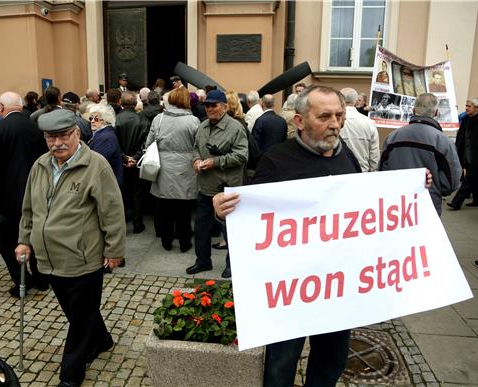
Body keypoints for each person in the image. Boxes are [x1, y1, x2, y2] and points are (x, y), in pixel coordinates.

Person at [213, 85, 360, 387]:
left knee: (331, 361)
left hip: (338, 288)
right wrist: (221, 211)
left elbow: (368, 213)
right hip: (290, 289)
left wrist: (413, 188)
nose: (335, 124)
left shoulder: (350, 159)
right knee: (280, 365)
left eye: (339, 115)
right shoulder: (275, 160)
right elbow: (250, 222)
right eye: (325, 116)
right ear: (300, 121)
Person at [15, 109, 126, 387]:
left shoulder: (95, 165)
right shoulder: (40, 164)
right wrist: (24, 240)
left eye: (64, 135)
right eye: (51, 138)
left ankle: (70, 374)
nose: (57, 143)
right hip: (49, 259)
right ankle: (102, 339)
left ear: (77, 133)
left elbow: (112, 211)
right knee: (79, 311)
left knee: (78, 319)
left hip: (83, 258)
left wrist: (114, 250)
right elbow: (29, 209)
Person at [0, 91, 49, 297]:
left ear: (1, 108)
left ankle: (22, 280)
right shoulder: (36, 127)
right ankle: (41, 278)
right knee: (35, 236)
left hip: (6, 198)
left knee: (6, 240)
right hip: (36, 193)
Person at [187, 90, 248, 278]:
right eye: (207, 105)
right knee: (202, 228)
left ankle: (233, 264)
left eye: (214, 105)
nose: (210, 109)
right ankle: (203, 261)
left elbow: (241, 155)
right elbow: (196, 148)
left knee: (229, 231)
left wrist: (215, 162)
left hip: (226, 188)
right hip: (206, 187)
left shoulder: (235, 128)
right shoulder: (203, 126)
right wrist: (196, 160)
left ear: (225, 106)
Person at [380, 93, 462, 215]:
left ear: (413, 111)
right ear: (436, 113)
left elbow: (382, 169)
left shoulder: (393, 136)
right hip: (428, 202)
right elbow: (452, 179)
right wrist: (436, 188)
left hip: (395, 201)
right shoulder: (443, 141)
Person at [145, 87, 199, 252]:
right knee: (184, 208)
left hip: (164, 168)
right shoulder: (193, 121)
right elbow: (198, 146)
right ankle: (184, 241)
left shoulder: (158, 119)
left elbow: (149, 144)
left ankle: (166, 241)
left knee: (165, 207)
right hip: (186, 168)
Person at [448, 98, 478, 209]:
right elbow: (461, 136)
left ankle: (456, 202)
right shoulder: (466, 119)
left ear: (477, 108)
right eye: (466, 105)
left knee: (469, 179)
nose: (466, 108)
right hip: (467, 154)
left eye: (469, 106)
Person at [115, 91, 150, 234]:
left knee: (120, 192)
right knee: (137, 193)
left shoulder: (115, 119)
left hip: (121, 162)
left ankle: (122, 223)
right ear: (135, 104)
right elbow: (146, 142)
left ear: (121, 103)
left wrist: (125, 157)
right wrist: (134, 158)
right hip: (136, 161)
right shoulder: (142, 120)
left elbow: (114, 142)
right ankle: (137, 223)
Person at [340, 88, 379, 172]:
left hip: (339, 174)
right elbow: (374, 157)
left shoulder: (333, 122)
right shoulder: (369, 123)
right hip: (363, 174)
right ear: (355, 101)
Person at [88, 103, 123, 188]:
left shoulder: (105, 137)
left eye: (96, 119)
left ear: (105, 120)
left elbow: (97, 164)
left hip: (106, 185)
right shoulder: (105, 133)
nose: (92, 121)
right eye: (91, 118)